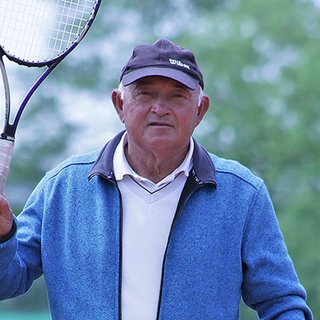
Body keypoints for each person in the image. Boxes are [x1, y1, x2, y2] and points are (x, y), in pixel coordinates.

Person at [0, 39, 313, 320]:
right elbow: (7, 280)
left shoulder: (242, 195)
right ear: (120, 104)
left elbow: (282, 302)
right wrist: (3, 236)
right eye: (145, 94)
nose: (160, 109)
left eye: (177, 96)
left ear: (200, 110)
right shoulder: (63, 188)